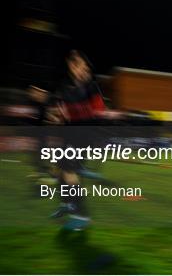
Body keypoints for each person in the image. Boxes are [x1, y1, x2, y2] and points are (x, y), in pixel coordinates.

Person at [49, 50, 106, 231]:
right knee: (60, 172)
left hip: (83, 136)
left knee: (69, 172)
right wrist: (57, 117)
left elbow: (99, 112)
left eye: (85, 66)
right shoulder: (65, 87)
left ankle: (82, 215)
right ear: (72, 66)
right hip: (69, 136)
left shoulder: (91, 87)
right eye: (80, 65)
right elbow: (59, 114)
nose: (83, 69)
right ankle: (67, 205)